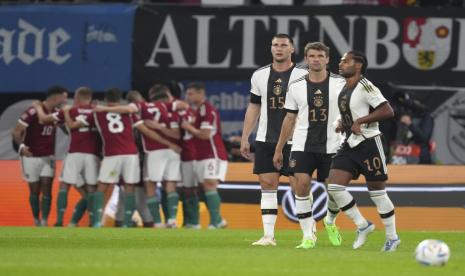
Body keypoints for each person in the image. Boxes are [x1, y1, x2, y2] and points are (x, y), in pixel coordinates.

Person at [272, 42, 346, 249]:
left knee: (335, 189)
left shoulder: (340, 84)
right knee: (301, 184)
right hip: (302, 144)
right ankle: (307, 235)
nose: (315, 59)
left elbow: (353, 107)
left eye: (320, 56)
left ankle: (330, 221)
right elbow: (289, 119)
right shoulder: (295, 86)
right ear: (306, 59)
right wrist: (279, 148)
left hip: (333, 145)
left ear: (327, 59)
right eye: (311, 56)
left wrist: (348, 122)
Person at [327, 50, 400, 251]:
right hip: (349, 143)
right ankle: (363, 225)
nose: (340, 64)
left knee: (377, 192)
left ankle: (392, 237)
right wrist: (342, 122)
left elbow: (387, 111)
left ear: (358, 65)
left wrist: (361, 121)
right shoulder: (343, 87)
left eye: (345, 61)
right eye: (341, 61)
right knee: (333, 187)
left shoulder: (366, 85)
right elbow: (349, 114)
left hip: (369, 144)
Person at [240, 33, 308, 246]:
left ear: (292, 49)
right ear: (271, 48)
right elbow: (254, 106)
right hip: (265, 138)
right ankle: (268, 236)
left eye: (283, 45)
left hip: (297, 139)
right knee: (267, 183)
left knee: (300, 186)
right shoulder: (259, 75)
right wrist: (245, 137)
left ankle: (309, 233)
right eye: (275, 45)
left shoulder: (304, 74)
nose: (279, 48)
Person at [91, 88, 174, 227]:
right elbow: (146, 131)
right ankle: (127, 223)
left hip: (112, 155)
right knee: (130, 186)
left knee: (102, 187)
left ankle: (96, 222)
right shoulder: (130, 113)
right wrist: (168, 143)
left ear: (106, 99)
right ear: (120, 100)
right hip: (131, 155)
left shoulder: (98, 112)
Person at [33, 87, 101, 227]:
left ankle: (59, 221)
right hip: (94, 155)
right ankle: (93, 223)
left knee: (64, 186)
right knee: (91, 189)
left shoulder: (70, 110)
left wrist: (38, 107)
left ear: (77, 97)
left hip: (75, 153)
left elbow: (43, 119)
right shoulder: (97, 111)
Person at [11, 86, 68, 226]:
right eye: (64, 97)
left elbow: (66, 129)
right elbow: (16, 131)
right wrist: (22, 147)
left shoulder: (56, 112)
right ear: (56, 97)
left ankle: (44, 221)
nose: (65, 100)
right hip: (31, 157)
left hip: (48, 156)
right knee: (35, 190)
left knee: (47, 189)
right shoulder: (32, 111)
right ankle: (36, 219)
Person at [181, 82, 228, 229]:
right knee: (203, 187)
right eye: (187, 94)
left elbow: (205, 134)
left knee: (209, 184)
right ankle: (218, 220)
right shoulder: (197, 111)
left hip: (213, 154)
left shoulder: (207, 110)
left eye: (191, 93)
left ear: (201, 93)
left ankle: (215, 222)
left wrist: (188, 127)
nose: (188, 96)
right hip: (201, 155)